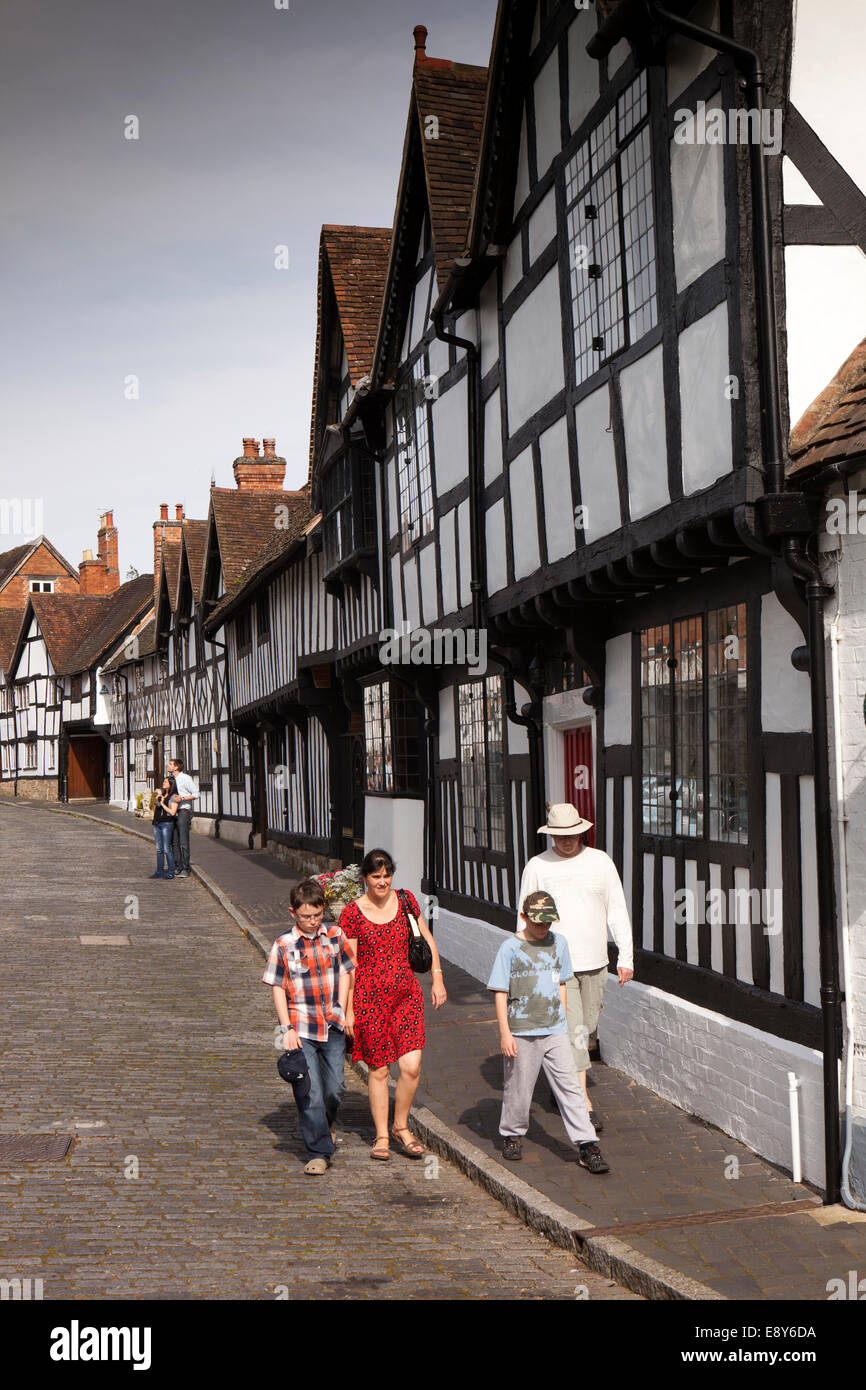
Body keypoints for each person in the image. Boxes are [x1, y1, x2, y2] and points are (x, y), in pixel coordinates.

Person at [516, 803, 633, 1135]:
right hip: (555, 964)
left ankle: (561, 1083)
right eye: (559, 835)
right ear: (551, 834)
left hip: (596, 962)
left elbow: (617, 909)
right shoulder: (537, 867)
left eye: (572, 834)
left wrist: (626, 956)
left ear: (582, 831)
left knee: (587, 1029)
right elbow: (523, 913)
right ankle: (581, 1104)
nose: (566, 841)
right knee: (575, 1033)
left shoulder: (600, 862)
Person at [487, 891, 609, 1173]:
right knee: (518, 1088)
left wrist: (563, 1022)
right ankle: (512, 1134)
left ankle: (586, 1144)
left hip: (554, 1030)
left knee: (571, 1088)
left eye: (548, 923)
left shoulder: (559, 943)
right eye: (538, 923)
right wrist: (505, 1033)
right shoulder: (509, 949)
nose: (544, 928)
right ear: (523, 917)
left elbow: (563, 983)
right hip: (521, 1031)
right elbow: (500, 992)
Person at [341, 849, 446, 1162]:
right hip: (369, 999)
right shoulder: (352, 913)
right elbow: (351, 964)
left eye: (387, 876)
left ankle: (401, 1126)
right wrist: (347, 1009)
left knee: (411, 1068)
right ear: (365, 878)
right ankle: (383, 1135)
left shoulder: (407, 901)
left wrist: (437, 978)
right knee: (379, 1070)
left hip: (406, 996)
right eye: (376, 876)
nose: (383, 882)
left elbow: (427, 939)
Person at [262, 878, 356, 1176]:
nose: (313, 922)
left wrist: (343, 1008)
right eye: (306, 917)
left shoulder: (335, 935)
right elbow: (277, 987)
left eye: (317, 915)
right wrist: (286, 1027)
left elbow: (346, 972)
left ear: (322, 910)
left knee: (336, 1089)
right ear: (293, 913)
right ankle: (318, 1151)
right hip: (301, 1026)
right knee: (311, 1092)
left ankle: (323, 1122)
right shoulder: (283, 945)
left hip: (333, 1024)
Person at [167, 756, 198, 879]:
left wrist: (183, 798)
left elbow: (196, 794)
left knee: (183, 841)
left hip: (183, 811)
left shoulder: (185, 778)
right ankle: (177, 866)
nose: (168, 765)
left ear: (176, 767)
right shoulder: (171, 779)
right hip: (173, 813)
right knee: (174, 841)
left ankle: (186, 868)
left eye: (170, 764)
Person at [150, 776, 180, 880]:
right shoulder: (162, 794)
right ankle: (159, 871)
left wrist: (162, 803)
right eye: (163, 781)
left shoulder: (174, 796)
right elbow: (155, 808)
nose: (163, 783)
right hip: (157, 823)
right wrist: (157, 800)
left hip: (167, 824)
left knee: (167, 848)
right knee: (159, 849)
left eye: (166, 781)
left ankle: (171, 872)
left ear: (171, 784)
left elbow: (172, 812)